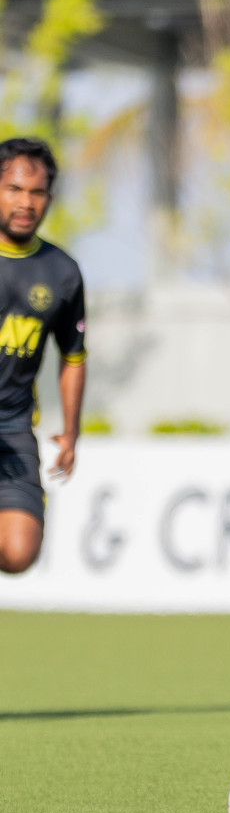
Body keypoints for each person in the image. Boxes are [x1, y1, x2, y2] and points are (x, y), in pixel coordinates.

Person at [0, 137, 86, 573]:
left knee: (19, 553)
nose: (25, 203)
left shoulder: (62, 272)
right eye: (14, 189)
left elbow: (73, 355)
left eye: (36, 193)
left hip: (12, 428)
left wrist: (71, 431)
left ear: (48, 199)